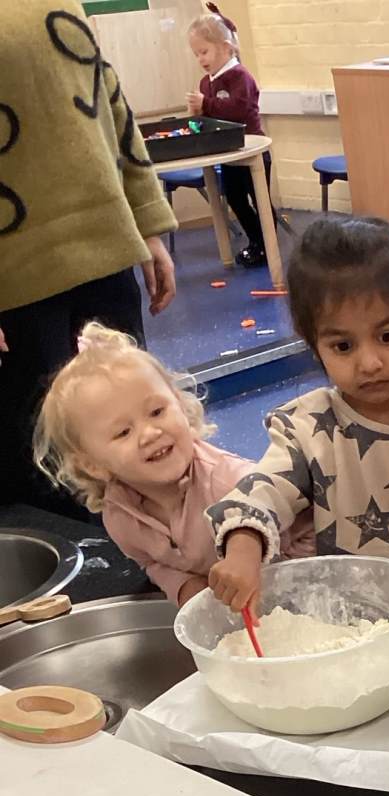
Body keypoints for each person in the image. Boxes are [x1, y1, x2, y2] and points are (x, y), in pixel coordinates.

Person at [206, 215, 389, 618]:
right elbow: (262, 490)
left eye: (387, 336)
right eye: (343, 346)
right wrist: (243, 548)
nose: (370, 362)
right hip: (349, 636)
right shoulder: (309, 428)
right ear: (314, 344)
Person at [0, 0, 176, 517]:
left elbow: (112, 108)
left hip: (105, 250)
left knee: (129, 427)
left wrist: (147, 225)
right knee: (44, 465)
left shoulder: (60, 4)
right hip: (20, 277)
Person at [33, 323, 312, 605]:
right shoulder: (120, 517)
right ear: (93, 465)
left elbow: (314, 530)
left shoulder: (232, 484)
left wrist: (279, 588)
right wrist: (185, 587)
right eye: (124, 432)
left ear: (181, 405)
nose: (150, 433)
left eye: (157, 412)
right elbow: (152, 563)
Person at [187, 15, 271, 270]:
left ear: (225, 48)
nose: (201, 59)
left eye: (204, 52)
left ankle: (268, 245)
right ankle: (257, 242)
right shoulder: (206, 83)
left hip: (251, 150)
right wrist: (196, 115)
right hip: (227, 153)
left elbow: (238, 110)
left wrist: (207, 104)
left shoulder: (240, 76)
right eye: (196, 54)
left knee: (260, 200)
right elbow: (210, 119)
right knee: (235, 198)